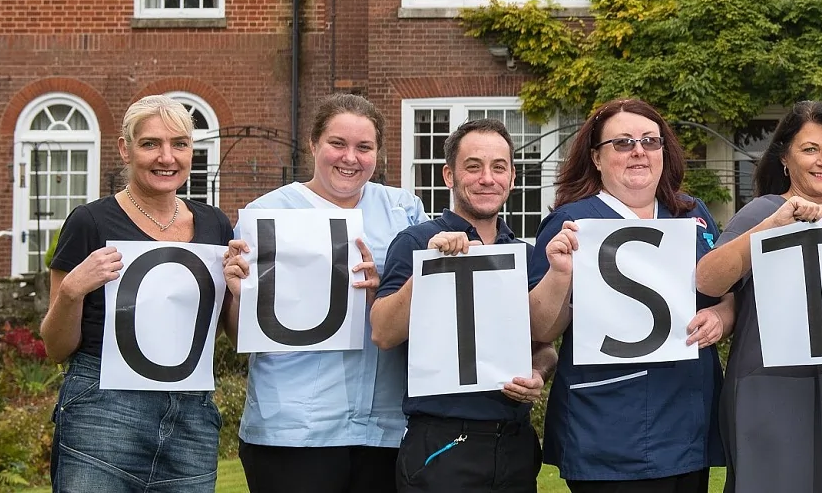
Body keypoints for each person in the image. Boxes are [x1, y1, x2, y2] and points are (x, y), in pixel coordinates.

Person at [40, 94, 252, 492]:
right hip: (103, 411)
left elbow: (236, 337)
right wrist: (70, 292)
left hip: (191, 414)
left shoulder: (214, 224)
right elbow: (55, 347)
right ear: (125, 148)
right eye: (151, 143)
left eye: (180, 144)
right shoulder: (90, 221)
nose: (166, 158)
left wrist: (239, 293)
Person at [524, 99, 730, 493]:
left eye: (650, 141)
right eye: (622, 143)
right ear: (596, 159)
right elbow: (540, 329)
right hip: (605, 424)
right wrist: (560, 273)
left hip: (687, 416)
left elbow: (727, 294)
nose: (638, 151)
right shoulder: (570, 223)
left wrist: (723, 317)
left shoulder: (692, 214)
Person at [237, 94, 426, 493]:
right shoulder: (267, 213)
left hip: (384, 426)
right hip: (293, 427)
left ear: (379, 153)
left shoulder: (403, 211)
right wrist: (239, 293)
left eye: (364, 147)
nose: (350, 158)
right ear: (313, 144)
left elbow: (430, 311)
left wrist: (386, 291)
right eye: (337, 143)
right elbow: (238, 332)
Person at [368, 119, 567, 493]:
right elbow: (382, 331)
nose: (486, 178)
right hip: (442, 441)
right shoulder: (417, 240)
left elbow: (543, 345)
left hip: (514, 441)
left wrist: (539, 373)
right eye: (473, 166)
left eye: (498, 167)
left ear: (512, 177)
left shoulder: (524, 254)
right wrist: (430, 268)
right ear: (449, 175)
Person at [696, 101, 822, 493]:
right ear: (785, 160)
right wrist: (773, 226)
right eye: (810, 149)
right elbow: (708, 279)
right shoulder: (767, 209)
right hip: (775, 383)